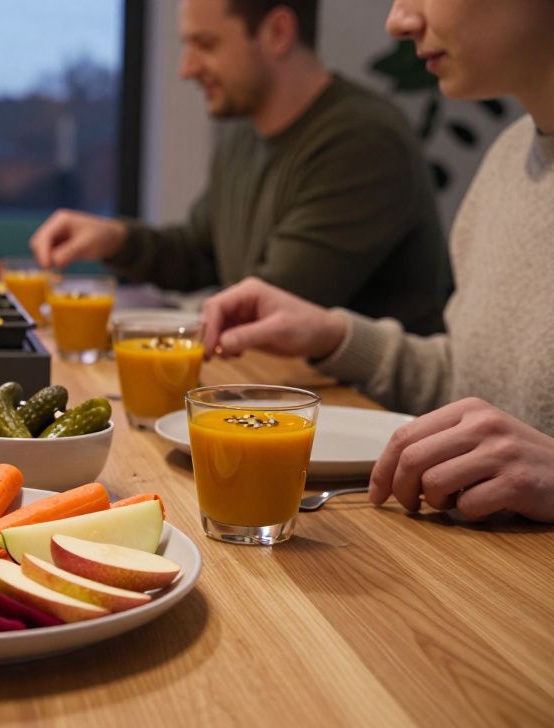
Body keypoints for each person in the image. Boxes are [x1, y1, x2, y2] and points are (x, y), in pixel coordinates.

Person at [198, 0, 554, 522]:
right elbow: (470, 381)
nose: (398, 21)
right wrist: (332, 334)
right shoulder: (508, 159)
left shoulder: (359, 134)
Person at [30, 0, 451, 335]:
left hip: (363, 421)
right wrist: (114, 239)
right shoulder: (244, 138)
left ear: (278, 32)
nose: (186, 68)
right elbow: (199, 252)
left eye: (206, 45)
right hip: (278, 394)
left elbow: (269, 303)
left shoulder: (362, 141)